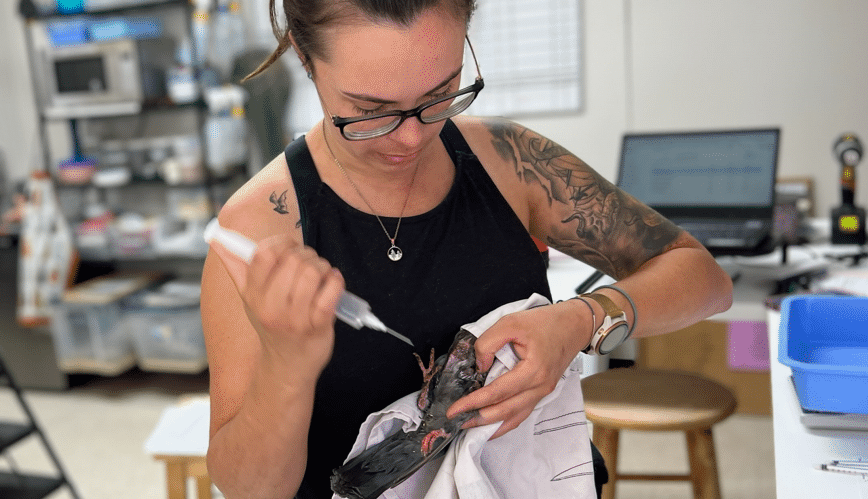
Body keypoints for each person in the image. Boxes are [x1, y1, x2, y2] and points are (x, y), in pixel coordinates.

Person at [198, 0, 734, 496]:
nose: (412, 138)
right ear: (304, 55)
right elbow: (248, 489)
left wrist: (580, 321)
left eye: (440, 95)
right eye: (370, 111)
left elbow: (701, 277)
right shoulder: (257, 231)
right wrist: (286, 365)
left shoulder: (511, 162)